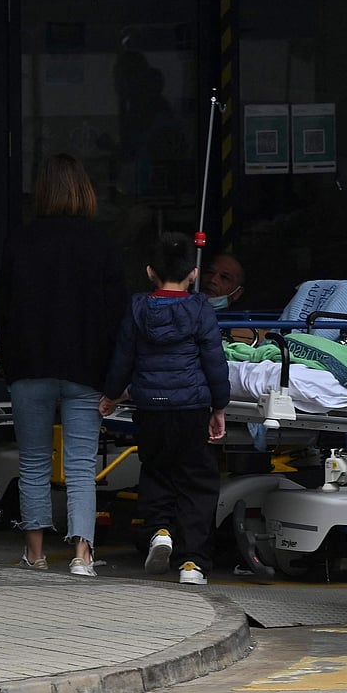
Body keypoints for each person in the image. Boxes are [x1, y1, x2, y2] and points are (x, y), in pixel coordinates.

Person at [0, 153, 127, 577]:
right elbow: (116, 316)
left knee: (33, 460)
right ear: (84, 190)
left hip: (29, 367)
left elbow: (5, 311)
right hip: (86, 371)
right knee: (81, 465)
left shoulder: (20, 241)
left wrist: (9, 364)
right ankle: (81, 556)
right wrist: (115, 377)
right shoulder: (101, 243)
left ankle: (35, 555)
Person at [99, 232, 230, 585]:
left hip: (150, 408)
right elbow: (214, 362)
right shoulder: (200, 308)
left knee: (156, 470)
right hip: (191, 408)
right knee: (197, 482)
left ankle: (160, 531)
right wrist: (219, 407)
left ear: (149, 272)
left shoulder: (138, 307)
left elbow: (122, 357)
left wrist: (111, 395)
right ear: (193, 274)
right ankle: (192, 563)